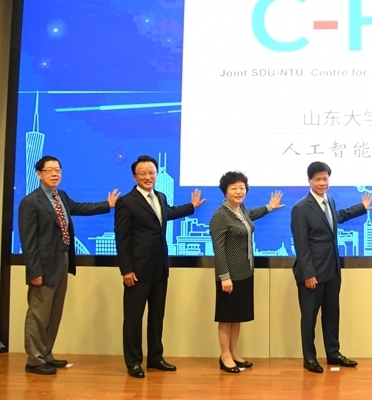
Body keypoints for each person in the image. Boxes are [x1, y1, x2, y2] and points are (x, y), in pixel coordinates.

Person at [18, 155, 119, 375]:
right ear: (39, 174)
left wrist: (108, 205)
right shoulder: (30, 202)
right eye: (49, 170)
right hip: (42, 267)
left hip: (62, 262)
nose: (55, 174)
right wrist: (35, 271)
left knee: (54, 313)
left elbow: (80, 208)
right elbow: (28, 241)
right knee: (38, 315)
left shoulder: (60, 196)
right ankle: (34, 360)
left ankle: (46, 354)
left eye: (58, 170)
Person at [115, 154, 205, 378]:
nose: (148, 177)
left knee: (156, 316)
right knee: (134, 319)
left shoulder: (161, 197)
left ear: (156, 174)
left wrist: (192, 206)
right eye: (143, 173)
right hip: (137, 270)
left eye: (151, 173)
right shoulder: (126, 202)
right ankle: (134, 362)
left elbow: (169, 213)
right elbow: (122, 239)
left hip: (160, 267)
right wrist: (126, 270)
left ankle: (155, 357)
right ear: (135, 176)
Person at [290, 161, 372, 373]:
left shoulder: (330, 201)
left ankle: (333, 353)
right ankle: (309, 358)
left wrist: (361, 208)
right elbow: (301, 244)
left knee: (331, 314)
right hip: (312, 273)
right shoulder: (301, 208)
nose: (322, 183)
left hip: (332, 270)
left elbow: (338, 217)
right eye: (317, 179)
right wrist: (308, 273)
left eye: (325, 179)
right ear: (309, 181)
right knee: (309, 317)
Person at [209, 171, 283, 373]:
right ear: (225, 191)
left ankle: (234, 353)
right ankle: (225, 356)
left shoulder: (240, 209)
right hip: (229, 276)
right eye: (233, 188)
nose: (238, 191)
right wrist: (224, 277)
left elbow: (250, 216)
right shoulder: (220, 216)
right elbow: (218, 249)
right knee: (226, 317)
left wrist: (269, 207)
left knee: (237, 315)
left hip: (245, 272)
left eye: (242, 187)